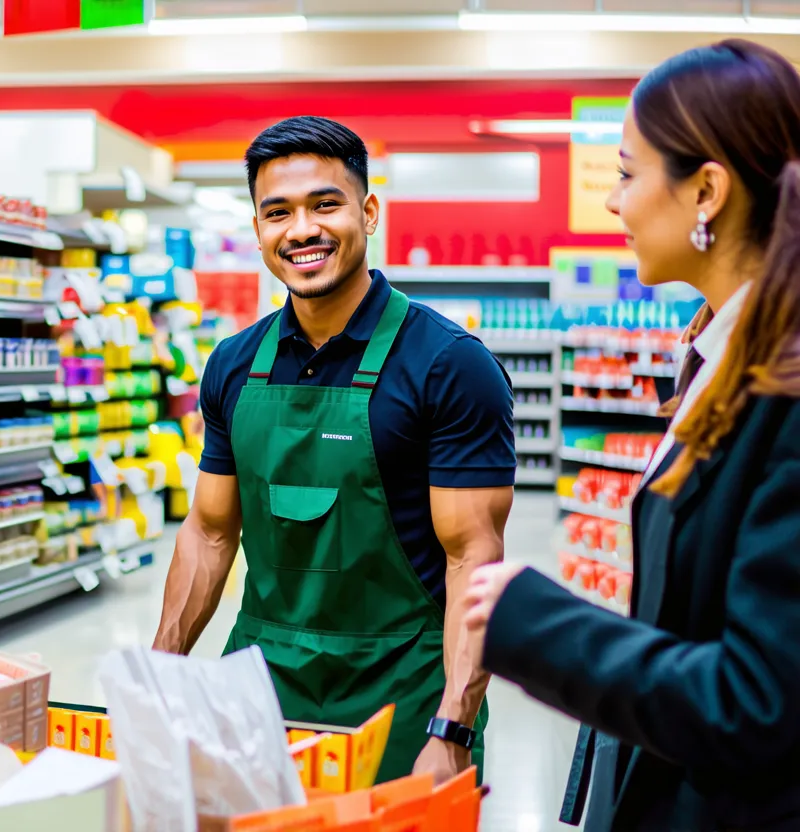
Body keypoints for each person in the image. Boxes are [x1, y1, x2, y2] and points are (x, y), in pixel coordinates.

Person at [463, 39, 800, 832]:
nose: (614, 201)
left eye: (625, 172)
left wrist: (537, 623)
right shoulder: (722, 358)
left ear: (706, 190)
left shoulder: (785, 400)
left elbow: (757, 698)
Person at [152, 115, 516, 785]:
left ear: (368, 212)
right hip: (262, 694)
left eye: (326, 204)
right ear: (258, 228)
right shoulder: (233, 364)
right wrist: (161, 671)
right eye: (277, 212)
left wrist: (454, 723)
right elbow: (208, 532)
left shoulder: (447, 365)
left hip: (402, 701)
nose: (302, 230)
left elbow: (475, 557)